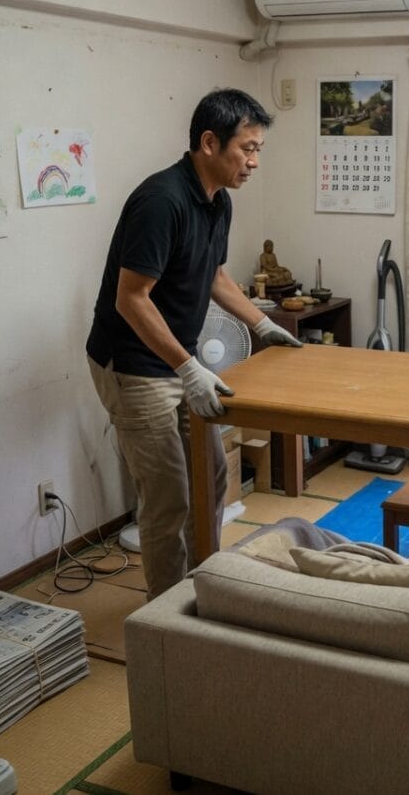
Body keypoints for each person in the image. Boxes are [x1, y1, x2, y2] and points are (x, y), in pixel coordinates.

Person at [86, 88, 301, 600]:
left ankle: (207, 588)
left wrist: (261, 324)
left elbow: (214, 275)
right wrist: (187, 367)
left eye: (258, 151)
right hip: (136, 366)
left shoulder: (217, 201)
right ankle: (169, 618)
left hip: (177, 361)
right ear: (209, 142)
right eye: (246, 149)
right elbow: (131, 299)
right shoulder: (161, 201)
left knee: (210, 478)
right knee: (167, 499)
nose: (253, 162)